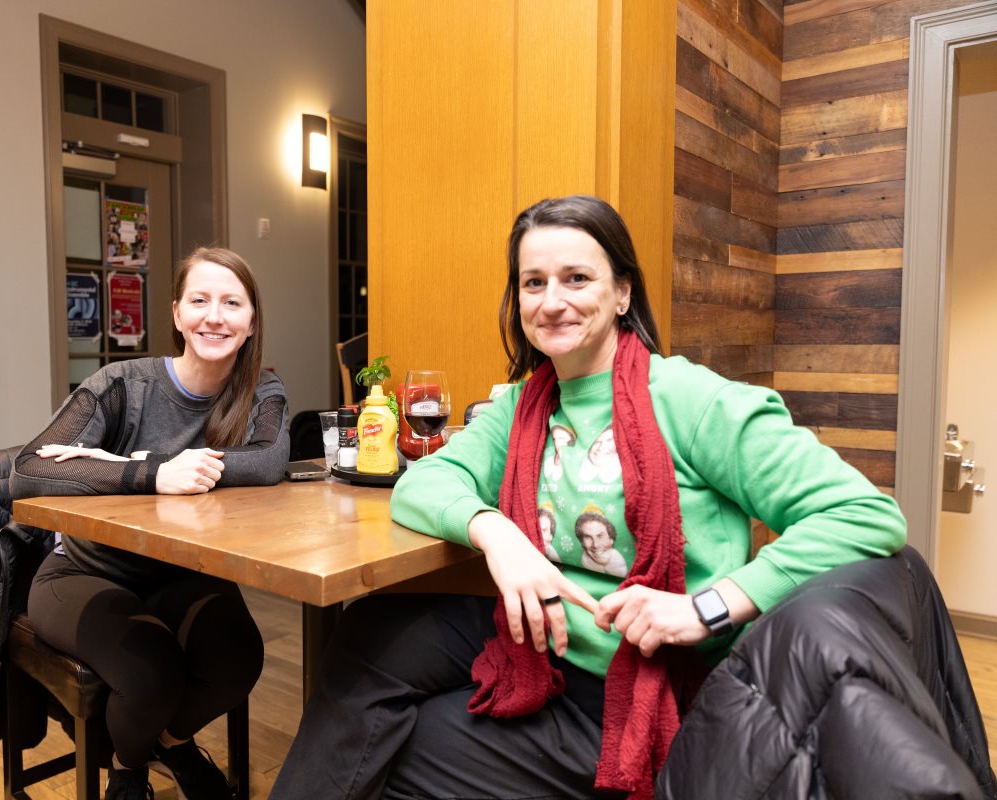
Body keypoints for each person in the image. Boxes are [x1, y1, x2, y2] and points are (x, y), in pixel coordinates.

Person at [268, 195, 906, 799]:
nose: (552, 302)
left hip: (643, 679)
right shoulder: (522, 405)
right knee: (370, 633)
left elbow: (863, 514)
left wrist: (708, 608)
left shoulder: (693, 401)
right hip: (541, 640)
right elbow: (423, 483)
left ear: (622, 292)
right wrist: (499, 535)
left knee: (404, 743)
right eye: (533, 282)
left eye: (577, 278)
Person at [10, 247, 289, 800]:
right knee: (152, 674)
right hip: (83, 573)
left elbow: (266, 461)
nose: (215, 317)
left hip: (180, 570)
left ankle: (170, 743)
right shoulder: (122, 384)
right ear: (178, 314)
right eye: (200, 301)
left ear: (252, 322)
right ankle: (128, 771)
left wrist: (130, 459)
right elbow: (27, 470)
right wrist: (152, 473)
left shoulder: (261, 389)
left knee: (239, 660)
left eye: (232, 303)